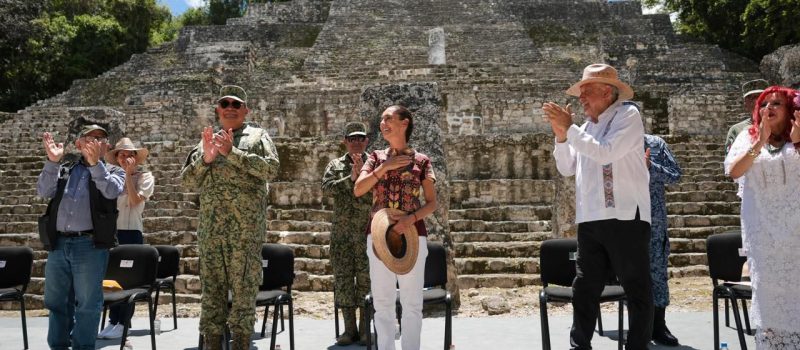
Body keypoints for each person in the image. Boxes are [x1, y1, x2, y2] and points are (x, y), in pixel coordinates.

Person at [542, 63, 653, 350]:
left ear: (607, 92)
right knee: (584, 287)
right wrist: (561, 135)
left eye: (586, 91)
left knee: (636, 288)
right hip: (591, 218)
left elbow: (606, 152)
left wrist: (571, 129)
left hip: (626, 216)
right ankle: (579, 345)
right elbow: (566, 167)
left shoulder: (628, 115)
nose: (581, 98)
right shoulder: (586, 128)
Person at [181, 85, 280, 350]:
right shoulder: (206, 140)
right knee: (211, 295)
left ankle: (242, 344)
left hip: (245, 232)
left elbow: (271, 169)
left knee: (244, 294)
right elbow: (187, 181)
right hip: (212, 233)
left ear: (245, 110)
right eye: (225, 104)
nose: (230, 108)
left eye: (236, 104)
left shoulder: (258, 136)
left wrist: (232, 153)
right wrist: (207, 158)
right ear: (218, 110)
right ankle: (213, 344)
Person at [354, 105, 438, 350]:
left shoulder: (421, 161)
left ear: (405, 123)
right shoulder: (376, 158)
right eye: (382, 119)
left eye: (389, 118)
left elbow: (432, 203)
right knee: (382, 302)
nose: (383, 123)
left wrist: (409, 220)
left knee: (412, 303)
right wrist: (385, 168)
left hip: (412, 235)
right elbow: (359, 189)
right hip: (377, 234)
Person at [724, 86, 800, 349]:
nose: (769, 107)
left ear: (790, 108)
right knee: (768, 298)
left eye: (777, 103)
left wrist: (798, 139)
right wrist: (760, 142)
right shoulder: (748, 136)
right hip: (763, 233)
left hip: (797, 232)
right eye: (765, 103)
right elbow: (734, 171)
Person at [37, 124, 125, 350]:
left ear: (107, 147)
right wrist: (52, 161)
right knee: (56, 303)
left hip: (90, 246)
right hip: (59, 244)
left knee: (87, 304)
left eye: (100, 139)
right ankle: (58, 346)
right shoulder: (65, 169)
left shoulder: (115, 171)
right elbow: (44, 191)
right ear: (78, 144)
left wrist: (96, 165)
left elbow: (111, 191)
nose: (95, 142)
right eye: (89, 138)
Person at [97, 138, 155, 339]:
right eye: (121, 154)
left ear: (135, 158)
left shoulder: (144, 177)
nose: (125, 158)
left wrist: (129, 176)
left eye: (129, 154)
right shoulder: (112, 177)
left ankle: (124, 323)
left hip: (131, 232)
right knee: (111, 278)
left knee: (128, 279)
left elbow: (135, 200)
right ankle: (113, 321)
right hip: (112, 232)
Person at [322, 122, 373, 346]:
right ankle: (348, 330)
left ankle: (364, 330)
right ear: (345, 141)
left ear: (366, 141)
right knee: (343, 282)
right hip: (342, 236)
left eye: (360, 138)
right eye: (352, 139)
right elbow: (326, 188)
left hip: (366, 234)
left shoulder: (375, 164)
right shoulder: (335, 165)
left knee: (365, 283)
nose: (356, 142)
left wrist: (363, 175)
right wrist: (350, 180)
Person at [643, 134, 682, 346]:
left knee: (658, 274)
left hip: (654, 223)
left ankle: (658, 325)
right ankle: (639, 325)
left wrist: (651, 166)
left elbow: (676, 175)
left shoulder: (656, 144)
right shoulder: (611, 143)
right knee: (630, 276)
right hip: (623, 223)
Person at [725, 79, 769, 154]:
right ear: (745, 103)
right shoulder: (737, 130)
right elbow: (731, 162)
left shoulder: (779, 125)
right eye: (750, 98)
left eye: (760, 96)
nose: (756, 101)